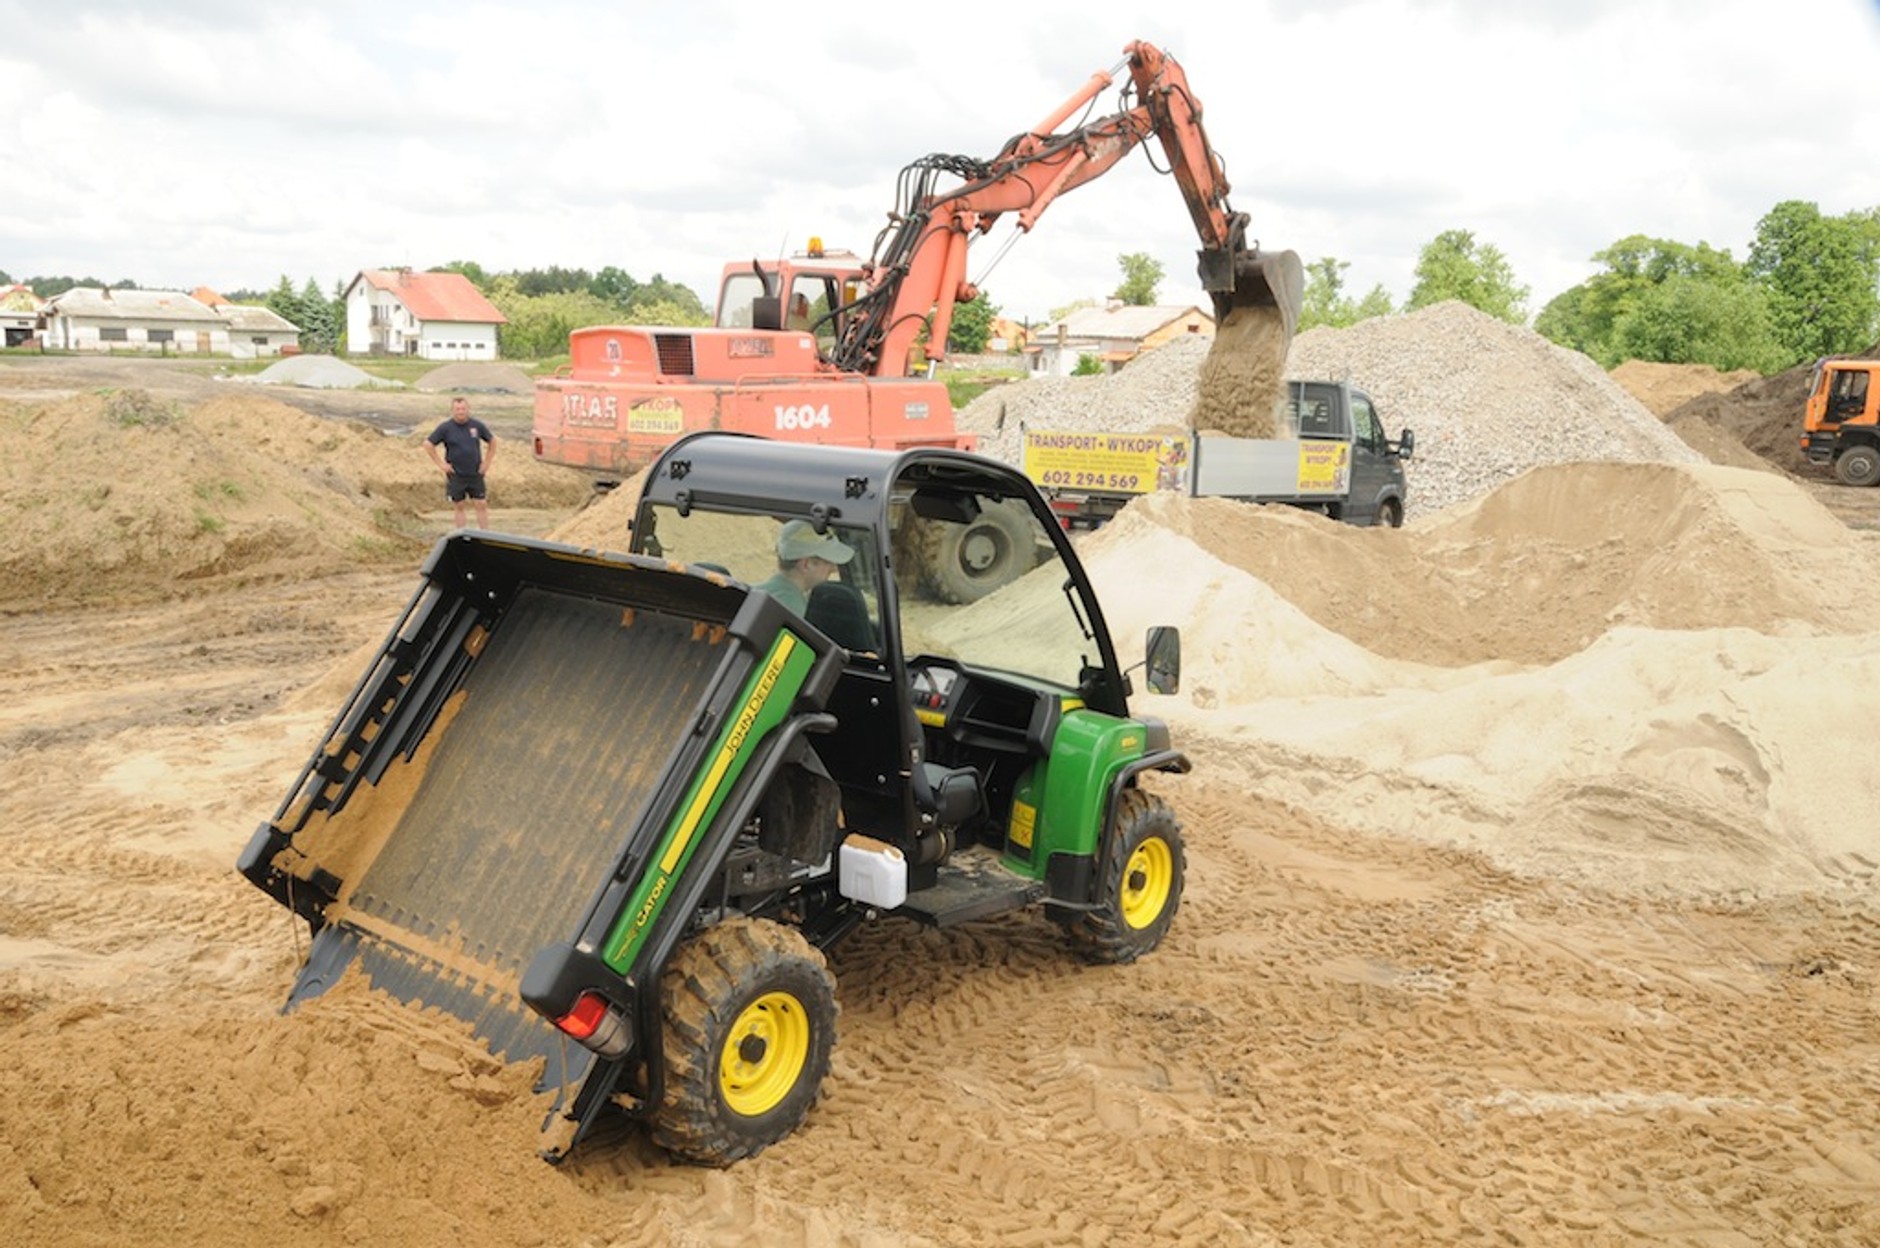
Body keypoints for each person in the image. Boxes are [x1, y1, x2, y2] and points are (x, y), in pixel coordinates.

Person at [425, 396, 497, 529]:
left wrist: (487, 462)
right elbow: (428, 444)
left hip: (475, 472)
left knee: (481, 504)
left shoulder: (477, 425)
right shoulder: (445, 428)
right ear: (452, 410)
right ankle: (461, 533)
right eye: (457, 409)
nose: (461, 412)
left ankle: (484, 533)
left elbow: (492, 441)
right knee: (459, 505)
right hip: (456, 473)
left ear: (468, 409)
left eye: (463, 409)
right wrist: (441, 464)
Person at [758, 519, 854, 614]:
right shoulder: (793, 609)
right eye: (828, 562)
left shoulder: (757, 592)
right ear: (806, 564)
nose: (834, 569)